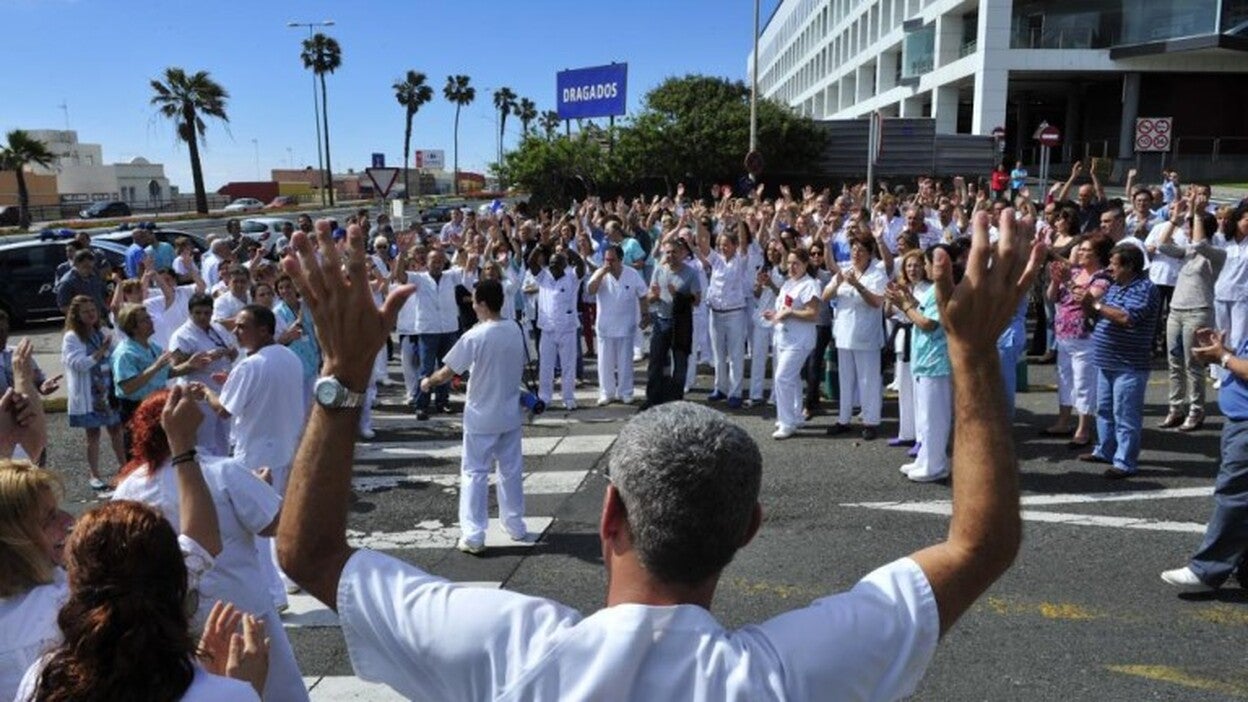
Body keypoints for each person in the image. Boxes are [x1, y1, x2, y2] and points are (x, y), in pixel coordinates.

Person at [273, 211, 1030, 701]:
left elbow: (307, 554)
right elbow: (980, 544)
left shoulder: (509, 651)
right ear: (748, 528)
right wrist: (971, 351)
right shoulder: (785, 677)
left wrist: (340, 376)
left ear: (610, 517)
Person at [3, 386, 268, 701]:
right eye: (48, 518)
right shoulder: (64, 602)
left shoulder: (38, 677)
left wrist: (6, 447)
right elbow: (201, 541)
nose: (67, 520)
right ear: (15, 539)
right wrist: (183, 447)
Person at [112, 389, 306, 701]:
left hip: (174, 617)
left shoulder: (128, 488)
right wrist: (261, 489)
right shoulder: (224, 471)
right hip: (240, 606)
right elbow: (275, 524)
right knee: (272, 690)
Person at [418, 279, 529, 555]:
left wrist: (427, 383)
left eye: (475, 300)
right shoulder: (515, 328)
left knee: (475, 473)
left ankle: (474, 534)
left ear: (481, 304)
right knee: (511, 471)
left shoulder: (475, 335)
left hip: (481, 415)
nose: (473, 305)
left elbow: (447, 371)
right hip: (510, 412)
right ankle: (515, 525)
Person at [1160, 327, 1248, 592]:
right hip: (1239, 419)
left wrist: (1223, 357)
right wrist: (1223, 353)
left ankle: (1207, 570)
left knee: (1234, 495)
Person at [1078, 244, 1160, 479]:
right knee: (1104, 410)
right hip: (1106, 361)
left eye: (1114, 264)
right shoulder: (1115, 287)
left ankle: (1125, 462)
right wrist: (1086, 301)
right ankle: (1105, 450)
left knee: (1125, 415)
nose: (1109, 268)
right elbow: (1096, 314)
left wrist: (1095, 304)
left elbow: (1126, 317)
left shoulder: (1145, 289)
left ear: (1130, 265)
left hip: (1129, 364)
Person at [1155, 193, 1223, 432]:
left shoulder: (1215, 254)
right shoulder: (1185, 252)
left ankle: (1196, 410)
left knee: (1193, 364)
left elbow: (1200, 244)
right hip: (1176, 311)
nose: (1186, 229)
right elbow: (1162, 245)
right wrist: (1174, 220)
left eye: (1190, 226)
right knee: (1174, 362)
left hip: (1198, 311)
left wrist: (1197, 214)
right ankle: (1175, 408)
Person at [1045, 233, 1113, 448]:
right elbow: (1052, 297)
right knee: (1065, 379)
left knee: (1084, 382)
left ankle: (1083, 428)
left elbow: (1088, 300)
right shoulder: (1075, 272)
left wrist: (1066, 280)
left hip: (1086, 337)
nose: (1081, 253)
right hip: (1064, 335)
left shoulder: (1103, 278)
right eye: (1080, 249)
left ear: (1099, 255)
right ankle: (1063, 420)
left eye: (1087, 250)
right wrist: (1056, 281)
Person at [824, 234, 888, 440]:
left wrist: (858, 286)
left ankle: (870, 421)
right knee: (845, 379)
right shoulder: (844, 271)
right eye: (853, 250)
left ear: (870, 253)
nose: (856, 254)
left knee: (867, 380)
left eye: (861, 250)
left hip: (866, 336)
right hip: (843, 334)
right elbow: (825, 296)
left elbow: (877, 302)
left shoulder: (877, 274)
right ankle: (843, 419)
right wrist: (838, 282)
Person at [60, 296, 125, 490]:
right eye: (86, 312)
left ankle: (124, 467)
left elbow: (115, 354)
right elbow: (80, 364)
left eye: (93, 310)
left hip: (107, 390)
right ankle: (94, 474)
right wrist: (102, 350)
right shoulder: (72, 337)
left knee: (116, 430)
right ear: (76, 316)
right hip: (90, 394)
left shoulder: (101, 331)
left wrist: (109, 348)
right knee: (93, 434)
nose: (91, 315)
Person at [169, 293, 240, 455]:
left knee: (224, 438)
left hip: (222, 391)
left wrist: (229, 353)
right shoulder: (181, 335)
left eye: (207, 313)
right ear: (190, 312)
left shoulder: (218, 329)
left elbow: (233, 354)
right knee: (204, 442)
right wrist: (207, 357)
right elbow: (175, 366)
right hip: (198, 395)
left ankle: (222, 474)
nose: (203, 317)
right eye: (198, 313)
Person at [763, 248, 821, 440]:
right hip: (783, 337)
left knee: (782, 378)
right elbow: (783, 309)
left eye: (796, 263)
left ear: (805, 264)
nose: (791, 267)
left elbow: (813, 314)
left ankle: (787, 423)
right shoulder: (788, 283)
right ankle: (795, 416)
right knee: (792, 379)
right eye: (789, 263)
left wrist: (790, 314)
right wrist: (775, 315)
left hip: (800, 340)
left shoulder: (810, 285)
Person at [696, 226, 752, 408]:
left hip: (735, 313)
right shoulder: (716, 260)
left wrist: (739, 220)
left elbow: (744, 243)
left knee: (736, 355)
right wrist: (697, 221)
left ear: (734, 246)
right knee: (718, 354)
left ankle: (735, 392)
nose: (722, 247)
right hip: (716, 313)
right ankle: (720, 388)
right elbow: (702, 244)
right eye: (720, 244)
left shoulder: (740, 260)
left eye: (726, 244)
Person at [643, 236, 701, 408]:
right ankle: (653, 397)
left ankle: (676, 398)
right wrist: (653, 297)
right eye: (667, 252)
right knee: (655, 361)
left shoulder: (690, 273)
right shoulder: (659, 270)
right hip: (661, 321)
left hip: (681, 323)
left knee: (680, 362)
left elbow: (697, 300)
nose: (670, 255)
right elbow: (650, 296)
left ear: (682, 253)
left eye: (674, 252)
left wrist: (678, 295)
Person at [588, 244, 648, 406]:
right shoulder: (600, 274)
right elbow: (591, 290)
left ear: (621, 260)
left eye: (612, 260)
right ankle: (606, 393)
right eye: (606, 260)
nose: (609, 263)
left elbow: (643, 295)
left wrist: (645, 315)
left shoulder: (632, 274)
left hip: (626, 327)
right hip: (605, 327)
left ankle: (625, 392)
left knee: (625, 363)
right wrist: (601, 273)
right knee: (604, 363)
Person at [528, 248, 583, 411]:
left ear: (565, 264)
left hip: (567, 328)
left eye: (557, 263)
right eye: (551, 263)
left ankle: (568, 397)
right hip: (547, 329)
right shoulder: (543, 276)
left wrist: (569, 251)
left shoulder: (572, 277)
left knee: (568, 365)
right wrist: (541, 247)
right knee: (546, 365)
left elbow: (581, 265)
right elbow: (531, 262)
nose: (553, 266)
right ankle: (545, 397)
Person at [53, 249, 108, 316]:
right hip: (82, 321)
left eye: (91, 267)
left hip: (101, 317)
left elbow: (100, 296)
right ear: (76, 264)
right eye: (85, 267)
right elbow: (63, 307)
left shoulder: (94, 275)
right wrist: (83, 316)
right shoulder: (67, 282)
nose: (89, 270)